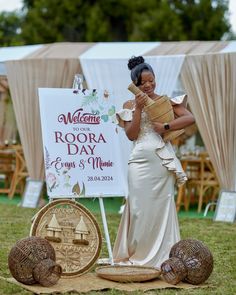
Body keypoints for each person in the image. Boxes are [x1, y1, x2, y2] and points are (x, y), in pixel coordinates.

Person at [113, 56, 195, 268]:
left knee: (162, 209)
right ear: (136, 85)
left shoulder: (164, 101)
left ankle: (164, 256)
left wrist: (166, 126)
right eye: (143, 83)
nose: (149, 85)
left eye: (151, 81)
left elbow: (189, 118)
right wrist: (139, 109)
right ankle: (138, 254)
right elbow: (131, 135)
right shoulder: (129, 105)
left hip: (161, 163)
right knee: (139, 210)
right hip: (139, 163)